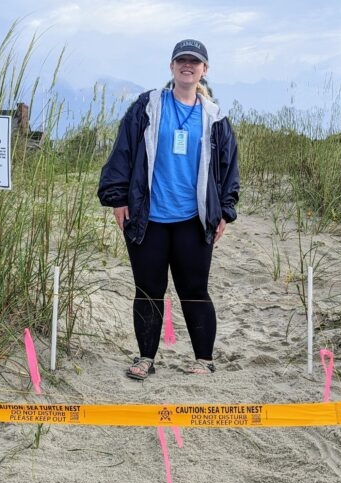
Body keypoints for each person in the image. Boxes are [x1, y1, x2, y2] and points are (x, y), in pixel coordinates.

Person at [97, 39, 240, 380]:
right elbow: (124, 151)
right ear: (172, 66)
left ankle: (203, 360)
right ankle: (145, 358)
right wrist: (118, 198)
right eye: (181, 60)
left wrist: (225, 210)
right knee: (148, 289)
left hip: (194, 219)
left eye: (195, 61)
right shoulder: (148, 106)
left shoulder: (214, 116)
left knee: (194, 289)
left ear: (204, 69)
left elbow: (228, 166)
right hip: (148, 218)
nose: (187, 65)